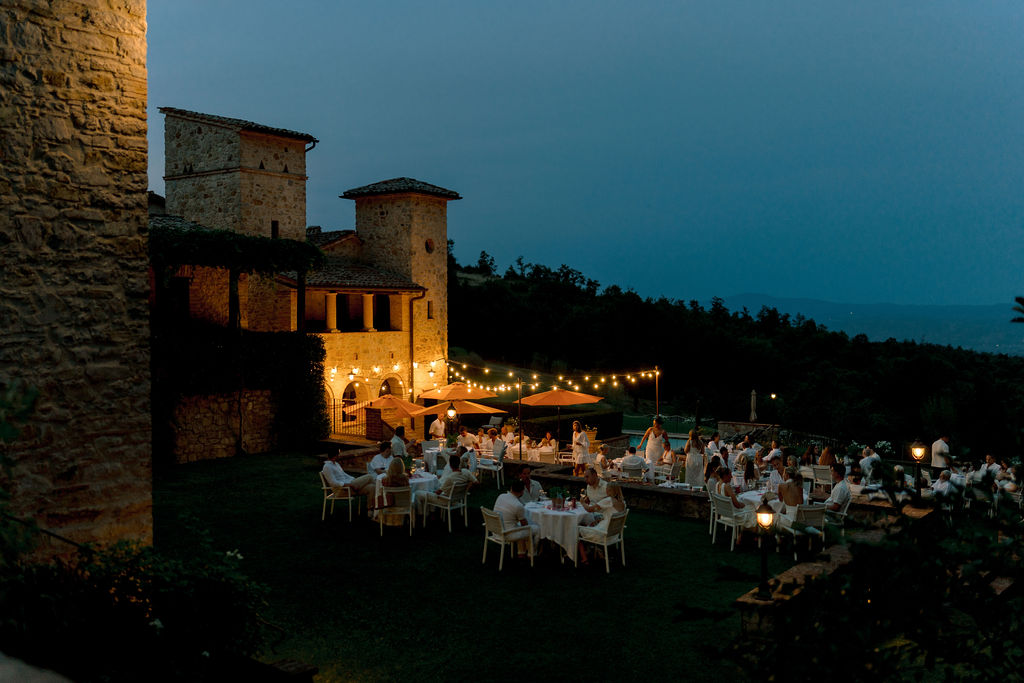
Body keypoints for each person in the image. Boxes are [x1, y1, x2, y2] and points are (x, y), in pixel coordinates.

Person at [578, 483, 626, 565]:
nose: (606, 490)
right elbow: (610, 515)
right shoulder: (623, 503)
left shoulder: (609, 500)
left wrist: (582, 503)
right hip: (614, 535)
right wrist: (599, 520)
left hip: (603, 535)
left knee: (577, 529)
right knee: (589, 524)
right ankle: (594, 550)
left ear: (612, 490)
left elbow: (589, 509)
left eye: (608, 489)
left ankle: (584, 558)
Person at [492, 479, 540, 556]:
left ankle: (521, 552)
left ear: (511, 488)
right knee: (536, 529)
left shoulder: (501, 496)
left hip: (496, 530)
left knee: (519, 526)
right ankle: (532, 553)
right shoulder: (518, 505)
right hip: (507, 534)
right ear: (522, 491)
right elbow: (525, 525)